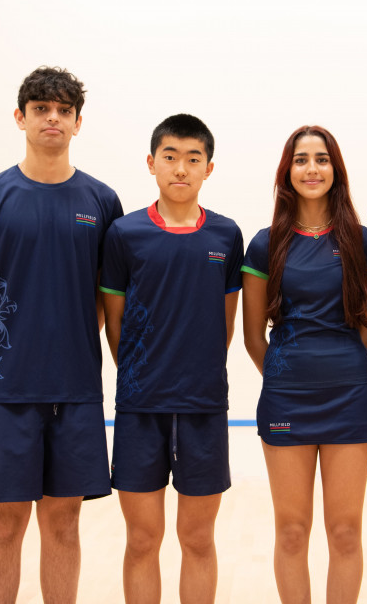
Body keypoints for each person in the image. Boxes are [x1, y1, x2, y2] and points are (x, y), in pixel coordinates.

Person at [0, 66, 122, 603]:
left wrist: (61, 350)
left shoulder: (102, 202)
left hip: (74, 391)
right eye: (42, 108)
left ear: (77, 123)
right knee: (4, 523)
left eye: (64, 110)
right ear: (20, 117)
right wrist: (9, 356)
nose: (53, 118)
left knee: (64, 521)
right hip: (3, 393)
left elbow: (103, 297)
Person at [100, 113, 244, 604]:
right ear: (151, 163)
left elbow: (224, 325)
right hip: (140, 409)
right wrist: (145, 376)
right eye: (170, 157)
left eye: (193, 159)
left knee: (198, 539)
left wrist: (192, 373)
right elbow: (114, 324)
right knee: (142, 540)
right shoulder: (124, 234)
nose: (180, 168)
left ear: (208, 168)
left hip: (204, 408)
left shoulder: (226, 236)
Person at [242, 126, 367, 603]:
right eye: (301, 160)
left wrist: (336, 367)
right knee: (291, 531)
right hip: (286, 400)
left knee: (345, 531)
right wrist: (289, 378)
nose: (311, 169)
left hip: (349, 399)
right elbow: (251, 337)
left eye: (321, 159)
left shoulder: (364, 243)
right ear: (287, 171)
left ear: (335, 170)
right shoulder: (265, 245)